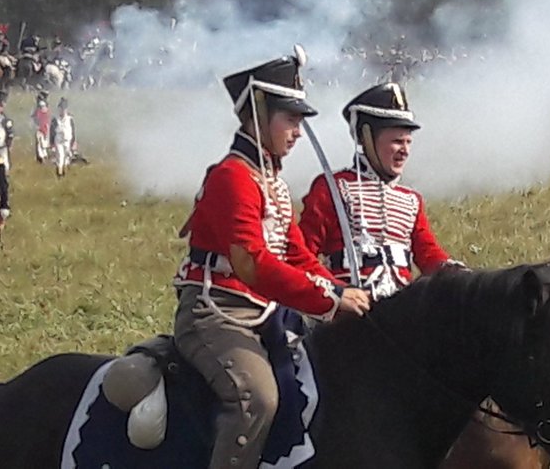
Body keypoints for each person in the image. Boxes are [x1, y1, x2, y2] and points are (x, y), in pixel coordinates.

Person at [172, 49, 369, 469]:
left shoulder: (271, 182)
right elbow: (251, 263)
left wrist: (339, 289)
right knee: (257, 397)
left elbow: (295, 253)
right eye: (291, 119)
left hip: (263, 314)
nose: (298, 132)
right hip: (216, 314)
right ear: (259, 116)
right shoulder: (232, 177)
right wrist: (326, 301)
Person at [300, 82, 459, 299]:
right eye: (396, 142)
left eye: (408, 142)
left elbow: (428, 253)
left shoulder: (411, 200)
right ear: (367, 139)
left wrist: (454, 273)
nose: (405, 151)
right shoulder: (333, 187)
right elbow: (302, 252)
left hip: (403, 305)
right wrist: (336, 292)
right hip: (347, 311)